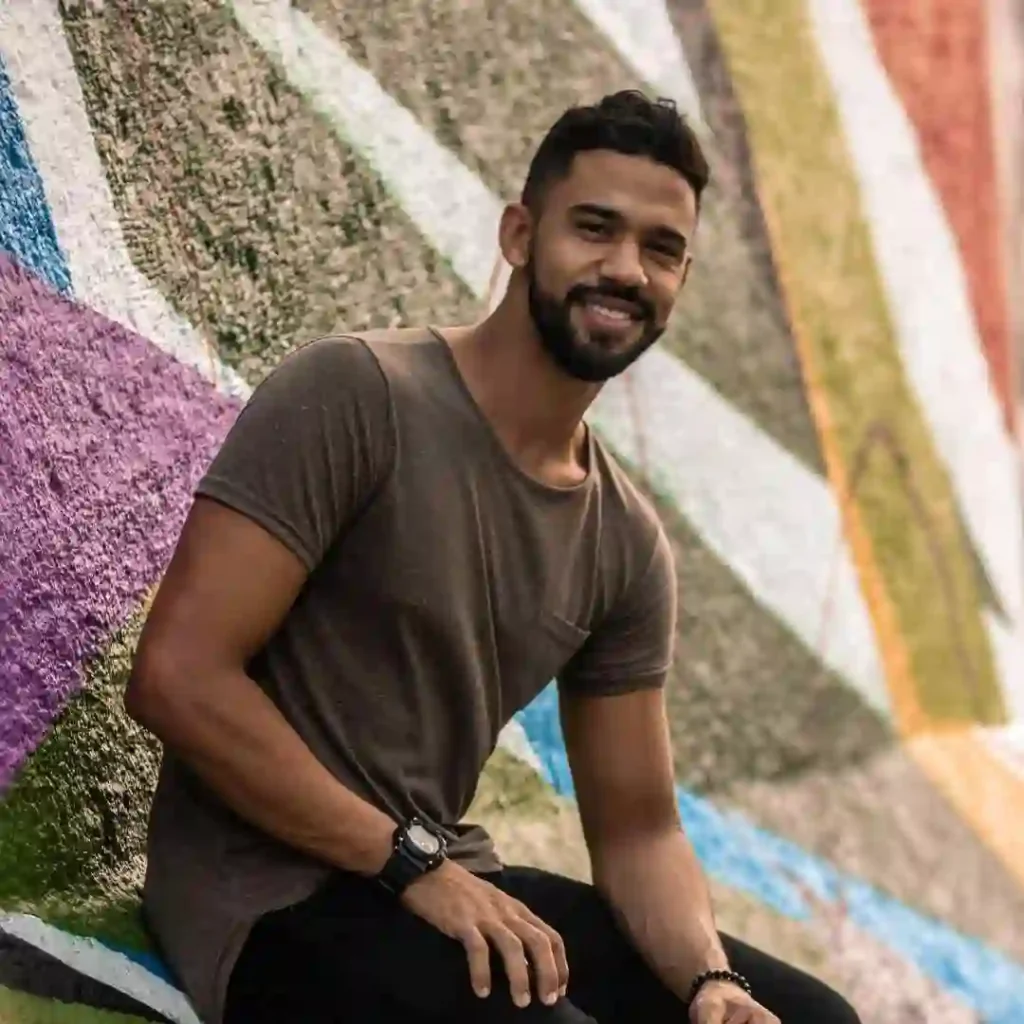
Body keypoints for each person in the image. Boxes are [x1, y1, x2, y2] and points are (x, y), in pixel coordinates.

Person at [127, 90, 861, 1024]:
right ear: (520, 234)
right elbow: (178, 677)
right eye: (594, 228)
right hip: (268, 898)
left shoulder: (625, 542)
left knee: (817, 1020)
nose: (625, 268)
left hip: (435, 880)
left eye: (662, 248)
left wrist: (710, 981)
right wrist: (410, 864)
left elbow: (637, 831)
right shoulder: (358, 394)